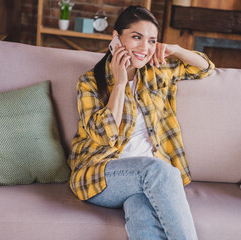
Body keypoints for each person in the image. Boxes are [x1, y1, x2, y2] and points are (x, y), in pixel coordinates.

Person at [67, 5, 214, 240]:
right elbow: (104, 136)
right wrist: (119, 83)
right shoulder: (89, 82)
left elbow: (204, 68)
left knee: (140, 210)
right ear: (116, 38)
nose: (145, 48)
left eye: (152, 40)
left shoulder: (158, 71)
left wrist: (174, 49)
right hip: (100, 176)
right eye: (137, 37)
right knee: (162, 172)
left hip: (142, 184)